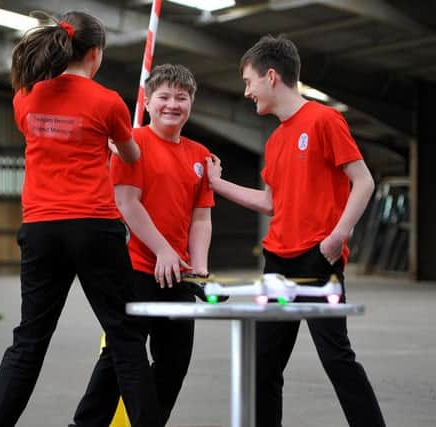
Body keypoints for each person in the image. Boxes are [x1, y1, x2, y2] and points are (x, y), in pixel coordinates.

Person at [0, 11, 162, 427]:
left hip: (42, 228)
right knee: (125, 337)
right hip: (94, 225)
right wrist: (120, 145)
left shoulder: (26, 96)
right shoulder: (107, 101)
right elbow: (132, 157)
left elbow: (51, 140)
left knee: (29, 341)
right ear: (95, 54)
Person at [207, 35, 386, 427]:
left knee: (336, 357)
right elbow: (271, 202)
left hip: (318, 259)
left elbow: (364, 182)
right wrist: (218, 185)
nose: (246, 91)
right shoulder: (275, 141)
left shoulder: (324, 120)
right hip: (277, 263)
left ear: (271, 76)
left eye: (248, 80)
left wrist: (337, 236)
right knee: (265, 365)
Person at [71, 63, 214, 426]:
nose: (172, 104)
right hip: (135, 269)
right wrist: (163, 249)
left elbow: (200, 219)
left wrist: (198, 266)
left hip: (178, 275)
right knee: (120, 360)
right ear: (148, 102)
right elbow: (126, 203)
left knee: (174, 363)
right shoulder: (130, 145)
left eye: (181, 98)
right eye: (163, 97)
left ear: (191, 104)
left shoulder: (200, 156)